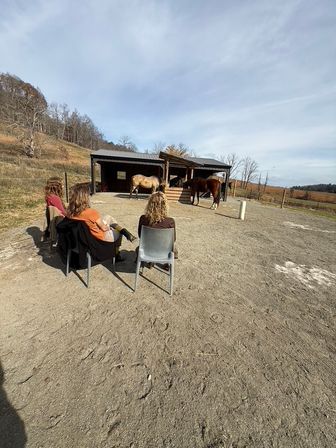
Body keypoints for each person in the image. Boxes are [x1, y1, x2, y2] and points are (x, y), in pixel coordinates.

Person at [67, 184, 136, 257]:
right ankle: (117, 254)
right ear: (85, 198)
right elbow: (104, 228)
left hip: (81, 239)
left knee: (108, 217)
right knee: (117, 232)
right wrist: (109, 227)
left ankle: (126, 232)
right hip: (96, 239)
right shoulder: (90, 212)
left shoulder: (69, 212)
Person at [137, 191, 178, 268]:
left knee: (138, 248)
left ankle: (149, 260)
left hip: (147, 250)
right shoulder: (170, 221)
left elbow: (140, 236)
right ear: (165, 205)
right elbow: (173, 239)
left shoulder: (143, 218)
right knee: (174, 249)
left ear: (149, 204)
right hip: (164, 252)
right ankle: (167, 264)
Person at [44, 177, 66, 243]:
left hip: (54, 221)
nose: (63, 186)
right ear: (56, 186)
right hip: (59, 222)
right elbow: (63, 212)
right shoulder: (55, 198)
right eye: (62, 184)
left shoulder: (49, 196)